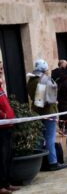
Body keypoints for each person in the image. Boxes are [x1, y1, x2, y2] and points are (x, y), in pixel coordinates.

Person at [27, 59, 67, 171]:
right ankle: (53, 162)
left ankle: (39, 163)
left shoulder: (31, 80)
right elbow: (44, 100)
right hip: (47, 111)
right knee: (49, 138)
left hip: (36, 111)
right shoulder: (43, 80)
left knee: (40, 138)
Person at [0, 62, 20, 194]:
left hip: (7, 125)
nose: (1, 71)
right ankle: (0, 186)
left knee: (8, 156)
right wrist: (4, 115)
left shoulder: (0, 86)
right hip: (1, 125)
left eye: (1, 68)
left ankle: (7, 183)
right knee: (1, 157)